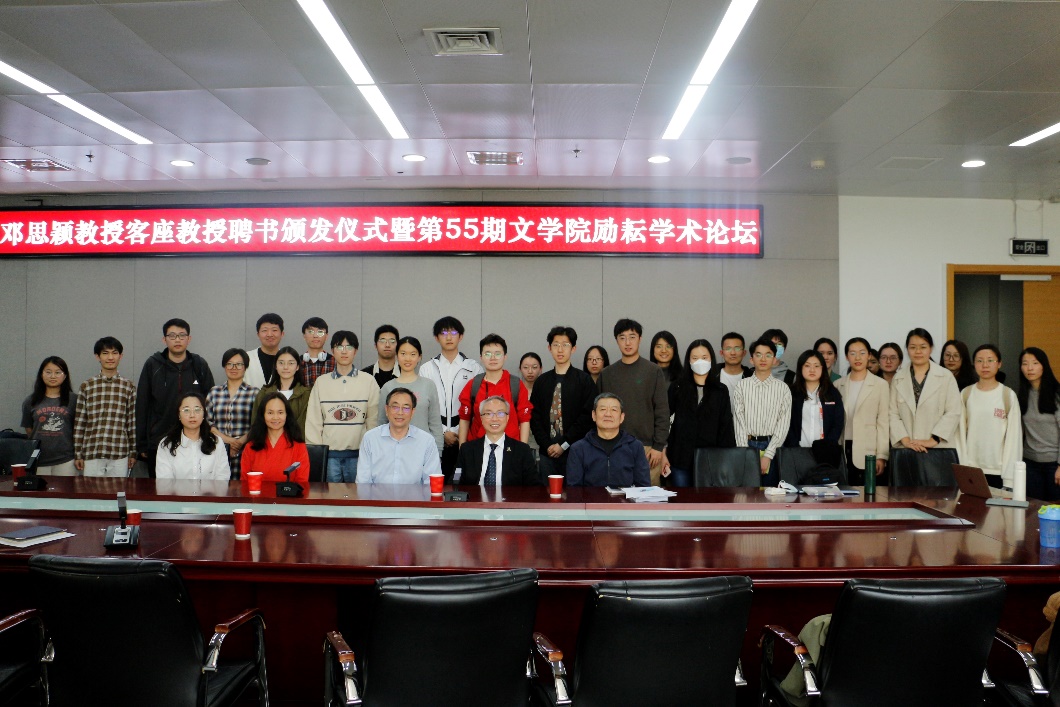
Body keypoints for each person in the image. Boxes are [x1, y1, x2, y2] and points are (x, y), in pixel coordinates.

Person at [136, 318, 215, 476]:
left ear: (189, 338)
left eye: (182, 335)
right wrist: (142, 443)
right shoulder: (153, 365)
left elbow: (210, 403)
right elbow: (142, 405)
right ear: (164, 339)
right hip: (159, 440)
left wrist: (208, 435)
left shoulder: (199, 365)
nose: (177, 340)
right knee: (160, 487)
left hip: (194, 440)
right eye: (172, 336)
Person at [598, 319, 670, 485]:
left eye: (632, 337)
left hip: (647, 448)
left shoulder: (653, 371)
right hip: (613, 446)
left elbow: (662, 412)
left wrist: (658, 447)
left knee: (647, 496)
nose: (627, 342)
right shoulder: (607, 374)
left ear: (640, 339)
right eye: (622, 338)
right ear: (616, 340)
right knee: (615, 496)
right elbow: (599, 413)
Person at [305, 330, 380, 482]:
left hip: (360, 457)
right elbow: (313, 422)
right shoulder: (321, 382)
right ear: (332, 351)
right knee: (329, 496)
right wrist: (319, 455)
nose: (344, 351)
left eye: (349, 347)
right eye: (339, 347)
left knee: (359, 495)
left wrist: (370, 452)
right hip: (329, 458)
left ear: (355, 351)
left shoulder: (368, 381)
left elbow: (374, 420)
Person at [663, 339, 736, 487]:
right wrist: (663, 452)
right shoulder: (677, 387)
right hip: (680, 458)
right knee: (682, 499)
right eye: (695, 358)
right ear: (689, 361)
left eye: (704, 357)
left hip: (710, 460)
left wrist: (726, 461)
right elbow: (664, 421)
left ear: (711, 359)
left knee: (707, 500)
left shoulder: (720, 390)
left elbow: (726, 428)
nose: (700, 362)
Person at [419, 316, 483, 478]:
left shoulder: (473, 368)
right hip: (435, 436)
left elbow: (478, 404)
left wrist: (459, 432)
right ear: (436, 337)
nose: (449, 337)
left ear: (461, 336)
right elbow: (424, 406)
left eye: (453, 332)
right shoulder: (427, 368)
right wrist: (443, 433)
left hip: (466, 436)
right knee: (436, 482)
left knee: (465, 481)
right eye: (443, 333)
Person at [530, 326, 596, 480]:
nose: (560, 349)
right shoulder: (541, 382)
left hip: (575, 451)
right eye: (556, 345)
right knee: (547, 493)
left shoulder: (584, 381)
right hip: (546, 452)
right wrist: (547, 445)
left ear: (573, 348)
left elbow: (587, 418)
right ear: (549, 348)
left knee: (574, 493)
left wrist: (563, 444)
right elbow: (535, 417)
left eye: (565, 345)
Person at [957, 344, 1022, 489]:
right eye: (980, 361)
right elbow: (959, 435)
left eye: (990, 360)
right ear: (974, 364)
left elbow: (1014, 439)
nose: (985, 365)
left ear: (999, 364)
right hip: (971, 469)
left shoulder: (1008, 395)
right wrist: (963, 467)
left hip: (999, 471)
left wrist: (1009, 479)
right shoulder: (966, 394)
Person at [889, 328, 961, 455]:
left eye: (923, 347)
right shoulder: (898, 378)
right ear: (907, 349)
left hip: (938, 449)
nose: (918, 352)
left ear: (931, 348)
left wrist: (933, 440)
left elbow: (953, 411)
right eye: (913, 347)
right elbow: (892, 413)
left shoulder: (946, 376)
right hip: (906, 449)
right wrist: (906, 440)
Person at [73, 337, 136, 478]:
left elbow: (131, 422)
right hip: (92, 451)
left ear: (121, 356)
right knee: (91, 490)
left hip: (119, 452)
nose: (110, 357)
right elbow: (80, 422)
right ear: (97, 357)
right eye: (105, 353)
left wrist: (133, 452)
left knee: (119, 490)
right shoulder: (87, 386)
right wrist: (78, 453)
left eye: (114, 353)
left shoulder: (129, 386)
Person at [732, 339, 792, 486]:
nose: (763, 359)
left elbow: (783, 425)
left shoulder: (783, 389)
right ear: (751, 359)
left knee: (770, 494)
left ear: (774, 359)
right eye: (758, 355)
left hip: (772, 446)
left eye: (768, 355)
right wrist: (746, 453)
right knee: (746, 493)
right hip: (747, 444)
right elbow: (739, 422)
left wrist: (768, 455)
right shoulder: (741, 386)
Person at [458, 334, 532, 444]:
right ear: (481, 357)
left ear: (505, 357)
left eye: (497, 354)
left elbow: (524, 420)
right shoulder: (473, 385)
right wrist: (462, 449)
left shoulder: (516, 384)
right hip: (478, 447)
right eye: (487, 354)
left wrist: (523, 450)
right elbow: (464, 419)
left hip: (510, 448)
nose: (492, 358)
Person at [357, 388, 441, 484]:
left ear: (412, 412)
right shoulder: (370, 438)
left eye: (406, 408)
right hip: (377, 494)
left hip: (414, 494)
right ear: (386, 409)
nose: (400, 412)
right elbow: (363, 481)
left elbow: (432, 482)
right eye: (395, 407)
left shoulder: (426, 441)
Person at [835, 337, 890, 485]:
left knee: (868, 493)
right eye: (852, 353)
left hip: (869, 450)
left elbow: (883, 422)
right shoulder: (838, 384)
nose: (857, 358)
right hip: (844, 447)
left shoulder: (880, 385)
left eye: (862, 353)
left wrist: (882, 455)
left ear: (869, 355)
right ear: (847, 357)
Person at [378, 336, 444, 455]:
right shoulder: (388, 387)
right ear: (397, 356)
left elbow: (435, 423)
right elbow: (381, 423)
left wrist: (438, 453)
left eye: (413, 354)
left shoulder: (428, 385)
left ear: (419, 357)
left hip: (423, 450)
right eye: (403, 354)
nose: (407, 359)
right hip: (393, 451)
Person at [567, 393, 651, 487]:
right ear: (594, 415)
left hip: (625, 497)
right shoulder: (578, 449)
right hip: (591, 497)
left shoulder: (635, 447)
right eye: (603, 409)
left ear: (622, 417)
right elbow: (574, 489)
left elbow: (643, 486)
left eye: (614, 410)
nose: (608, 414)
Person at [455, 395, 539, 486]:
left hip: (509, 495)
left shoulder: (522, 450)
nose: (494, 419)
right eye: (488, 414)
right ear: (481, 418)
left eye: (500, 413)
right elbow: (456, 477)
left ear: (507, 418)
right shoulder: (467, 449)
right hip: (475, 495)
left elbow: (534, 485)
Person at [206, 348, 258, 478]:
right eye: (229, 364)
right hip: (218, 451)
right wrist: (229, 442)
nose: (234, 368)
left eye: (239, 364)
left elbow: (258, 424)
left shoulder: (254, 393)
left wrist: (240, 442)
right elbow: (207, 423)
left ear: (245, 367)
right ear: (224, 366)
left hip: (246, 451)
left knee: (242, 486)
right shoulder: (214, 392)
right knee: (219, 486)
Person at [22, 356, 78, 475]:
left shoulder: (74, 400)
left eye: (58, 372)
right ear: (41, 374)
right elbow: (29, 429)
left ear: (65, 376)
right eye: (48, 372)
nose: (53, 376)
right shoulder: (30, 401)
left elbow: (78, 429)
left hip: (66, 460)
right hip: (38, 460)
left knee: (66, 488)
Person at [155, 393, 230, 480]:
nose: (192, 415)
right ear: (179, 415)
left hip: (211, 489)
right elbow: (164, 482)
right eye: (186, 410)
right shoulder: (167, 445)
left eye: (197, 410)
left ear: (204, 414)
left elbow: (222, 477)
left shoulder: (216, 442)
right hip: (177, 489)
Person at [1017, 347, 1060, 501]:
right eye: (1025, 363)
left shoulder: (1056, 394)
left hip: (1054, 463)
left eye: (1035, 363)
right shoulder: (1021, 395)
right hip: (1029, 462)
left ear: (1044, 366)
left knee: (1054, 508)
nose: (1030, 368)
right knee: (1033, 508)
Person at [241, 391, 310, 484]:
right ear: (263, 415)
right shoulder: (251, 447)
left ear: (287, 414)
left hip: (289, 493)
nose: (275, 417)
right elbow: (244, 482)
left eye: (280, 412)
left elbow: (302, 483)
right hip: (257, 493)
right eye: (270, 413)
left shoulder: (299, 446)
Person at [783, 350, 845, 452]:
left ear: (822, 368)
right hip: (796, 452)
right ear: (800, 368)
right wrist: (794, 446)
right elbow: (785, 423)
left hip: (825, 452)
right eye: (807, 366)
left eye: (816, 366)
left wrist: (827, 445)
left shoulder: (832, 393)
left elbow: (838, 423)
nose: (812, 370)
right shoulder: (791, 393)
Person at [251, 346, 310, 431]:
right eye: (281, 363)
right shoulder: (264, 393)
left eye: (291, 363)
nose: (285, 367)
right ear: (275, 366)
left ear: (297, 367)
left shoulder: (306, 394)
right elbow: (256, 424)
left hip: (296, 439)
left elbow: (305, 426)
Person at [243, 313, 285, 389]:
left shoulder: (288, 360)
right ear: (258, 335)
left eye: (274, 330)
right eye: (264, 330)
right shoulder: (246, 358)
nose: (269, 334)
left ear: (282, 334)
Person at [519, 352, 543, 460]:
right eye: (525, 367)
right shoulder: (515, 391)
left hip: (541, 442)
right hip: (519, 439)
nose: (530, 371)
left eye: (534, 367)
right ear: (520, 369)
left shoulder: (545, 390)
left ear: (540, 369)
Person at [717, 332, 753, 404]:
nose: (733, 353)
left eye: (737, 348)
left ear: (744, 353)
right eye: (728, 348)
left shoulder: (752, 377)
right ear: (721, 353)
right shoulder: (712, 375)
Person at [300, 317, 334, 389]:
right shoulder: (297, 362)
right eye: (310, 332)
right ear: (304, 336)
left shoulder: (335, 362)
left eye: (320, 332)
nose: (315, 336)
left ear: (326, 336)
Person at [362, 324, 400, 389]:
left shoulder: (405, 373)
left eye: (392, 341)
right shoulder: (364, 375)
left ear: (398, 345)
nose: (387, 345)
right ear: (375, 345)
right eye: (382, 341)